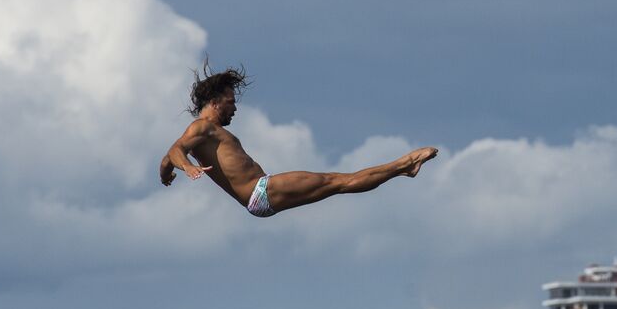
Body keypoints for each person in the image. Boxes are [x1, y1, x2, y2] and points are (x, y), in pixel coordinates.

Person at [159, 64, 437, 218]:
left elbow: (167, 159)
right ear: (215, 101)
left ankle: (403, 167)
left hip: (259, 199)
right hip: (261, 190)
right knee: (337, 181)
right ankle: (406, 164)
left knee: (336, 184)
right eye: (231, 102)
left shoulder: (203, 133)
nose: (235, 108)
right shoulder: (202, 127)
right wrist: (187, 167)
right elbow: (174, 150)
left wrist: (167, 173)